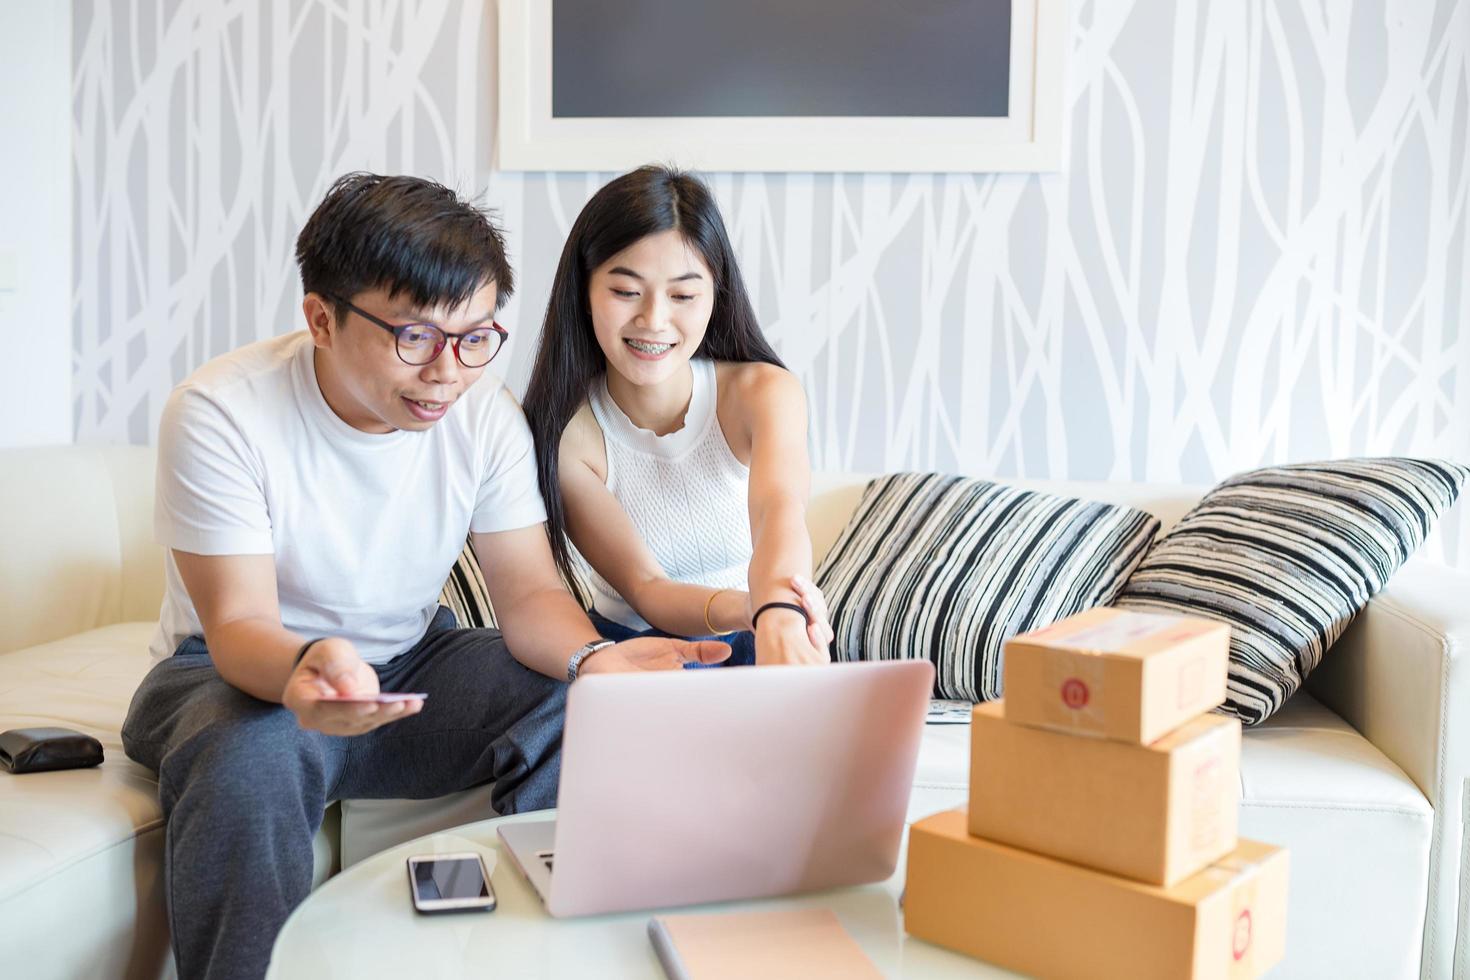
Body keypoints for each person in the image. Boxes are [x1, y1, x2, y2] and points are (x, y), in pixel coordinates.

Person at [121, 172, 727, 980]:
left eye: (476, 337)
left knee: (571, 700)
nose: (448, 371)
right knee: (254, 754)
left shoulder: (484, 415)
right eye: (415, 338)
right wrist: (311, 667)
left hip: (407, 665)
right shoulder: (222, 413)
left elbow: (530, 594)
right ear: (321, 319)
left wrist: (593, 660)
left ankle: (567, 959)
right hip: (236, 677)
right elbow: (237, 627)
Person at [523, 165, 834, 667]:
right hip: (634, 651)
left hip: (762, 626)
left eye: (684, 295)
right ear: (584, 292)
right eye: (625, 291)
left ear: (716, 297)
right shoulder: (566, 436)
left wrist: (779, 610)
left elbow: (779, 509)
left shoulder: (763, 392)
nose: (654, 320)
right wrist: (755, 608)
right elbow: (648, 589)